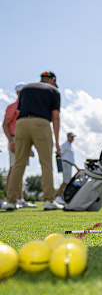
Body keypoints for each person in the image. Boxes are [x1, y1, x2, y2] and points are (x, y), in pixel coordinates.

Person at [5, 71, 62, 211]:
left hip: (21, 124)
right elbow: (55, 117)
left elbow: (21, 109)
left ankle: (11, 201)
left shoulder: (26, 88)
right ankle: (49, 201)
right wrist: (57, 141)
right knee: (46, 163)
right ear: (52, 80)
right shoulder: (54, 90)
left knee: (19, 164)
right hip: (41, 124)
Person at [2, 82, 37, 208]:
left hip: (24, 139)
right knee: (13, 169)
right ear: (17, 92)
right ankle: (10, 199)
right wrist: (11, 142)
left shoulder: (28, 106)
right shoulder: (13, 106)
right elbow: (4, 124)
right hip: (14, 139)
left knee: (20, 169)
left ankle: (20, 199)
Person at [55, 132, 80, 204]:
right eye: (71, 137)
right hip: (65, 163)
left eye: (73, 137)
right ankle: (58, 197)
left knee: (68, 182)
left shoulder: (70, 146)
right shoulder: (65, 145)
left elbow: (71, 159)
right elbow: (60, 153)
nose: (72, 138)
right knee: (65, 181)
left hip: (69, 165)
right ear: (67, 137)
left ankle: (63, 197)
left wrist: (76, 167)